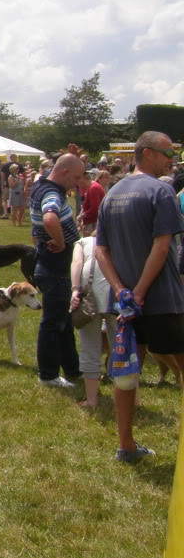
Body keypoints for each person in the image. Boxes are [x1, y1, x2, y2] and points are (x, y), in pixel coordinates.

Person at [95, 131, 184, 463]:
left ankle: (126, 445)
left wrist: (121, 291)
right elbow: (162, 247)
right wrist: (142, 291)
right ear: (147, 153)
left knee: (127, 371)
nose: (171, 160)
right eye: (166, 153)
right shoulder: (162, 192)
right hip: (160, 298)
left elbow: (100, 249)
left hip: (126, 303)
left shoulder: (110, 194)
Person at [30, 153, 85, 388]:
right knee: (53, 323)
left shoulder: (42, 184)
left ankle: (73, 368)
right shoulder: (52, 193)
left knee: (63, 321)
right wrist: (62, 243)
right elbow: (50, 218)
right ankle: (48, 375)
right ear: (63, 173)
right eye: (76, 177)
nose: (78, 183)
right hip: (56, 267)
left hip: (52, 266)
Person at [70, 234, 112, 410]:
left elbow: (77, 264)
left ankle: (92, 400)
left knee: (89, 348)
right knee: (123, 349)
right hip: (116, 296)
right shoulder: (118, 239)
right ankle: (133, 398)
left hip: (89, 298)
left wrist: (74, 290)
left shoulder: (83, 242)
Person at [78, 169, 105, 236]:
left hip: (93, 223)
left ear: (82, 179)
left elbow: (95, 208)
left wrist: (81, 216)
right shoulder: (91, 187)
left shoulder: (94, 188)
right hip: (90, 222)